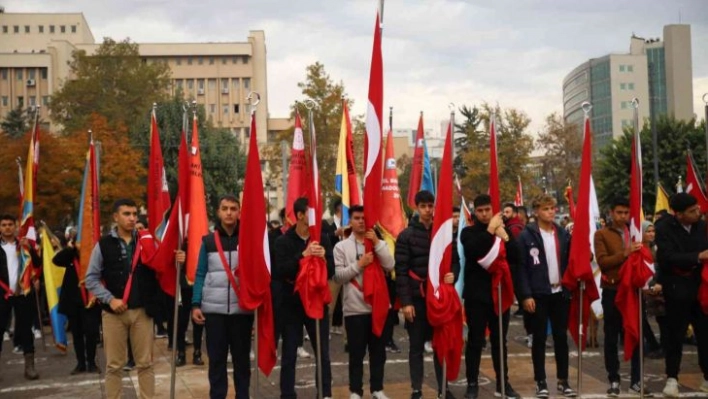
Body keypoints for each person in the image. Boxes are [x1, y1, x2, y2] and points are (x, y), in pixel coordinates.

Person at [85, 199, 161, 399]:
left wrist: (177, 257)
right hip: (113, 314)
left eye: (134, 214)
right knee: (114, 366)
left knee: (145, 364)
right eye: (126, 214)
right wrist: (110, 299)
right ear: (115, 217)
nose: (132, 218)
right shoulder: (103, 244)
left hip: (142, 312)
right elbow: (90, 279)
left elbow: (160, 266)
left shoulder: (145, 240)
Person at [395, 190, 458, 399]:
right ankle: (416, 389)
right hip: (417, 299)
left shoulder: (443, 233)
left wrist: (453, 275)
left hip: (439, 299)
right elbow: (401, 271)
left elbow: (455, 260)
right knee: (416, 347)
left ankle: (443, 387)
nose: (428, 210)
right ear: (416, 207)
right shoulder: (406, 235)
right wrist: (406, 302)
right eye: (423, 206)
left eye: (431, 206)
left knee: (441, 343)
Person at [190, 195, 252, 398]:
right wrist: (196, 303)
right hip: (214, 312)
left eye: (233, 208)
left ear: (239, 212)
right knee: (216, 362)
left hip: (241, 311)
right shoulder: (208, 241)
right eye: (224, 208)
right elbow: (200, 274)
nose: (229, 212)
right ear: (218, 212)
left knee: (241, 362)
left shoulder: (248, 239)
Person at [515, 195, 576, 398]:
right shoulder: (526, 236)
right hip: (538, 293)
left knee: (561, 337)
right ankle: (540, 381)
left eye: (553, 208)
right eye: (546, 208)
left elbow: (571, 258)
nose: (551, 212)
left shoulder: (561, 233)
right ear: (536, 212)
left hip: (560, 292)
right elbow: (521, 268)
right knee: (539, 338)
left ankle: (563, 380)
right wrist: (525, 295)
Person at [460, 194, 520, 399]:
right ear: (475, 212)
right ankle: (472, 382)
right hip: (477, 296)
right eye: (480, 211)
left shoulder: (499, 231)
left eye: (487, 210)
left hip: (499, 295)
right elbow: (474, 251)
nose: (484, 214)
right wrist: (490, 229)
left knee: (499, 341)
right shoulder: (468, 232)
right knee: (475, 341)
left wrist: (504, 236)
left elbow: (516, 255)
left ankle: (503, 382)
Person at [273, 197, 334, 399]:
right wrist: (303, 255)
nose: (315, 217)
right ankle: (287, 394)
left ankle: (324, 393)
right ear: (300, 216)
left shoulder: (322, 238)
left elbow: (333, 271)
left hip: (316, 302)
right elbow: (280, 271)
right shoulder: (283, 241)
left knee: (322, 353)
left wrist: (324, 258)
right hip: (292, 304)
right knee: (290, 352)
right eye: (311, 213)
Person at [333, 205, 394, 399]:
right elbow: (339, 276)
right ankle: (355, 390)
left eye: (364, 218)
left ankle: (377, 388)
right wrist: (359, 265)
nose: (361, 221)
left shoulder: (377, 242)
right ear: (350, 221)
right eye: (357, 218)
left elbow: (390, 265)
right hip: (355, 309)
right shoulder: (341, 246)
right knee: (356, 354)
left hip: (378, 307)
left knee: (378, 353)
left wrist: (377, 243)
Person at [594, 198, 651, 397]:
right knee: (611, 336)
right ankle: (614, 379)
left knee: (636, 335)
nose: (623, 216)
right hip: (613, 290)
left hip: (634, 292)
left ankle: (636, 379)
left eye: (626, 213)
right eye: (619, 212)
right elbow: (603, 262)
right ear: (611, 213)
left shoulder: (635, 232)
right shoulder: (601, 234)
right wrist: (625, 253)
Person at [655, 193, 708, 397]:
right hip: (676, 286)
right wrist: (697, 256)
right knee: (675, 334)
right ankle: (672, 378)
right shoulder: (664, 228)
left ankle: (706, 376)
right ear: (679, 215)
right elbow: (667, 257)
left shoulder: (701, 226)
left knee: (704, 333)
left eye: (697, 209)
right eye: (692, 211)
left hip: (700, 286)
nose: (697, 213)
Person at [0, 213, 41, 380]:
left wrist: (30, 248)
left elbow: (37, 264)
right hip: (2, 294)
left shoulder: (23, 246)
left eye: (10, 224)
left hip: (23, 293)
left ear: (16, 226)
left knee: (25, 330)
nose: (7, 227)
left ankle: (29, 367)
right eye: (4, 225)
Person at [53, 239, 101, 374]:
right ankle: (80, 363)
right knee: (77, 333)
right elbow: (56, 260)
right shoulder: (71, 256)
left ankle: (91, 362)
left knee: (91, 333)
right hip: (73, 301)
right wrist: (72, 249)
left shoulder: (95, 253)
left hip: (91, 299)